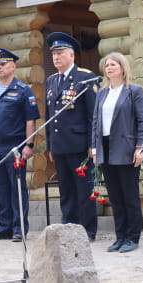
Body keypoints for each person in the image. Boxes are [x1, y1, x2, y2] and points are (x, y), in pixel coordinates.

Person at [0, 47, 40, 242]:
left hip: (15, 146)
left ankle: (19, 228)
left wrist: (29, 145)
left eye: (3, 64)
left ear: (13, 66)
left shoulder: (23, 90)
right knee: (0, 187)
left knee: (17, 187)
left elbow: (31, 121)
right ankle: (4, 227)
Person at [91, 52, 143, 253]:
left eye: (113, 65)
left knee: (129, 195)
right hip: (106, 148)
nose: (109, 68)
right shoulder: (102, 93)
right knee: (115, 196)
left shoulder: (134, 91)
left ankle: (133, 237)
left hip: (126, 148)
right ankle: (120, 236)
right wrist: (94, 148)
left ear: (123, 68)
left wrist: (140, 147)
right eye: (107, 65)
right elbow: (95, 123)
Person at [44, 32, 98, 241]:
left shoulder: (85, 78)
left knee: (84, 190)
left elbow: (93, 115)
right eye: (54, 54)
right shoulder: (50, 81)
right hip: (59, 146)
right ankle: (69, 227)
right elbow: (49, 117)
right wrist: (50, 146)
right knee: (66, 190)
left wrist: (92, 145)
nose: (56, 58)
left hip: (79, 145)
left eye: (60, 53)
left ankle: (87, 230)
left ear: (72, 55)